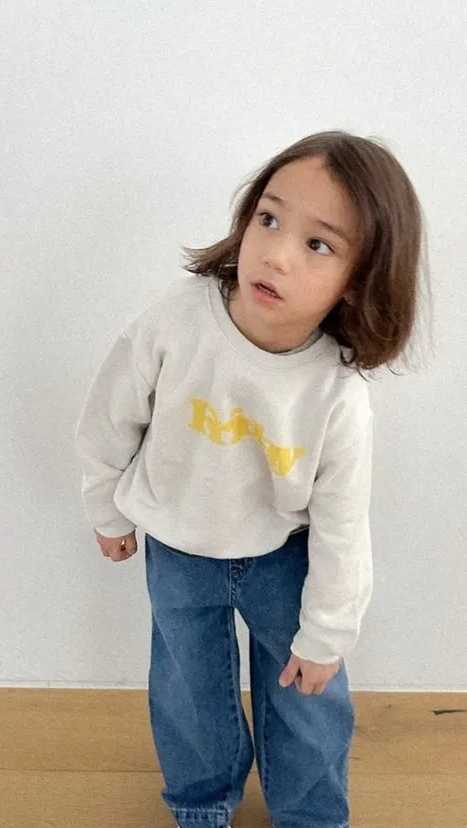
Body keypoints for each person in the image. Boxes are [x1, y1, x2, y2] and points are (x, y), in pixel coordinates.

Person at [74, 130, 429, 828]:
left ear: (359, 279)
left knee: (306, 696)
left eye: (318, 244)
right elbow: (108, 418)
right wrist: (106, 510)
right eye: (269, 218)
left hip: (282, 558)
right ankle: (201, 800)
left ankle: (310, 813)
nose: (276, 253)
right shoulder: (177, 319)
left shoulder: (336, 392)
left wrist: (327, 633)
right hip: (178, 552)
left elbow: (343, 525)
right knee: (189, 691)